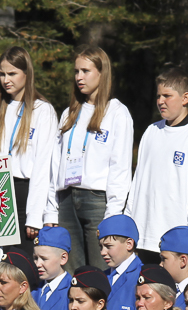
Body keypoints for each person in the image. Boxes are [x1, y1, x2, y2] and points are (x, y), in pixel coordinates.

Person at [54, 46, 134, 271]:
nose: (79, 77)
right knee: (73, 274)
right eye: (76, 71)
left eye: (85, 71)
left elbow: (120, 167)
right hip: (67, 200)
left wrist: (112, 216)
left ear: (101, 73)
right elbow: (55, 164)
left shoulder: (117, 113)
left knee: (100, 271)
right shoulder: (69, 113)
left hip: (97, 201)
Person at [124, 66, 188, 257]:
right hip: (143, 239)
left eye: (167, 96)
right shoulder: (151, 132)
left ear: (185, 98)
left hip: (177, 244)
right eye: (158, 96)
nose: (160, 101)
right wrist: (128, 224)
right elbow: (137, 185)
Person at [0, 46, 59, 248]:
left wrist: (35, 215)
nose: (6, 80)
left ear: (27, 74)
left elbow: (43, 166)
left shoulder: (42, 111)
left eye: (12, 74)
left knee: (23, 266)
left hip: (25, 193)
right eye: (2, 74)